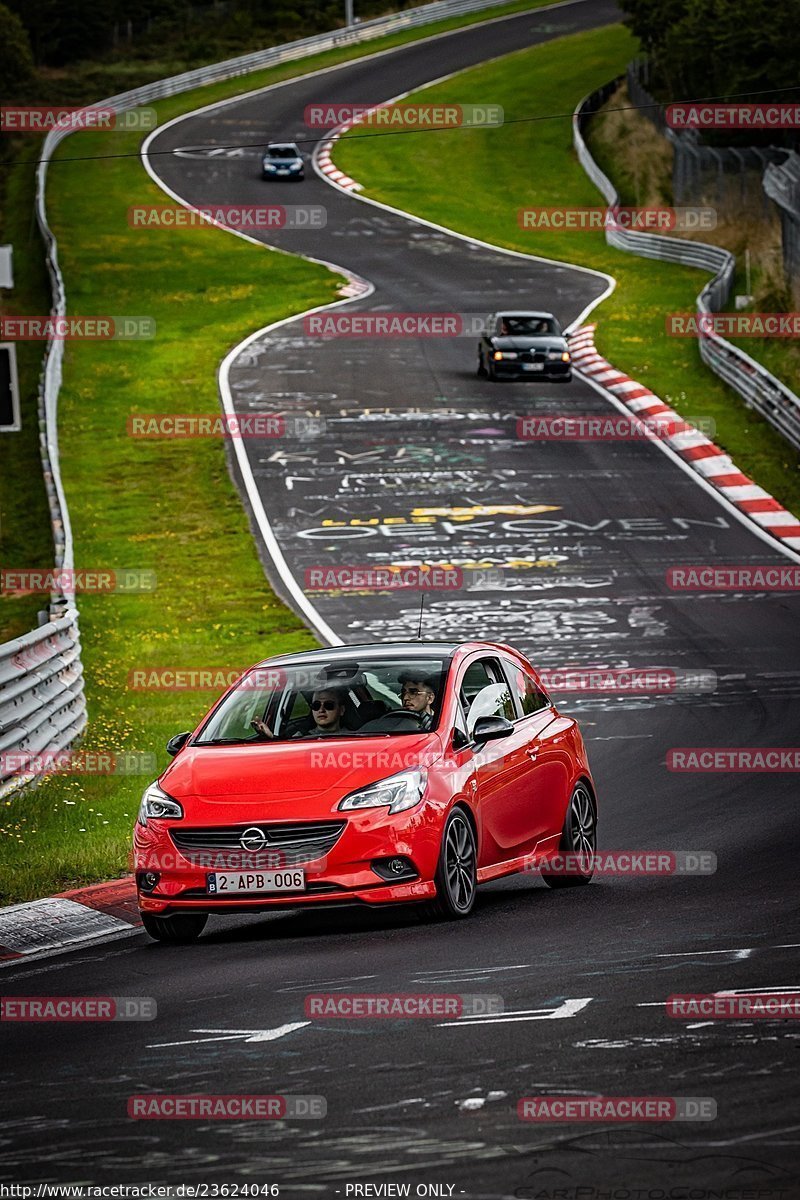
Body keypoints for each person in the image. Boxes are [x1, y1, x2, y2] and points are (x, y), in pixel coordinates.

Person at [251, 687, 348, 739]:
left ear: (342, 710)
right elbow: (286, 753)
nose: (321, 710)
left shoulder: (354, 738)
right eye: (316, 705)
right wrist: (271, 738)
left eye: (329, 705)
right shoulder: (299, 737)